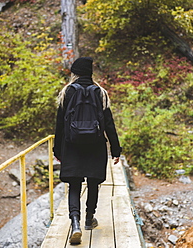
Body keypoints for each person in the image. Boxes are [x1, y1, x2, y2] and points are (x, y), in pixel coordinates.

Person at [53, 57, 122, 244]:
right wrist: (116, 150)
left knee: (74, 185)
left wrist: (57, 150)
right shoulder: (100, 93)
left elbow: (59, 125)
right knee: (93, 183)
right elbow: (109, 124)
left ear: (75, 73)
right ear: (90, 73)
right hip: (95, 145)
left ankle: (75, 223)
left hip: (72, 146)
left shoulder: (67, 92)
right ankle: (89, 218)